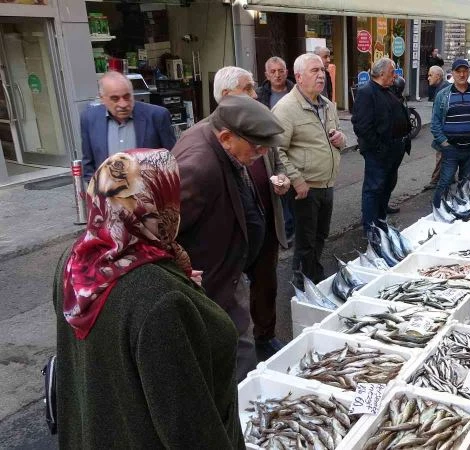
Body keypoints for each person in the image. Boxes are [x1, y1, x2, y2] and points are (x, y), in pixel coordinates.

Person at [54, 149, 244, 449]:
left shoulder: (76, 260)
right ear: (155, 202)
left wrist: (179, 284)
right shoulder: (161, 299)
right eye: (172, 190)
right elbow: (189, 430)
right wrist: (180, 296)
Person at [173, 94, 285, 381]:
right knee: (237, 354)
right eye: (257, 148)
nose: (261, 155)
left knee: (234, 350)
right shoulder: (198, 167)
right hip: (210, 283)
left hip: (227, 271)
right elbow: (163, 231)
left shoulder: (219, 137)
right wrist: (182, 270)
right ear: (225, 137)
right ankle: (236, 416)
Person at [215, 66, 292, 359]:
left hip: (266, 221)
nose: (255, 93)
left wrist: (283, 179)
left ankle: (266, 336)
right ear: (226, 95)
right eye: (247, 89)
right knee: (232, 293)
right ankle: (238, 348)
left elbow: (277, 158)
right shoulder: (215, 133)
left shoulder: (257, 120)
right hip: (235, 230)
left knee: (266, 284)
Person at [272, 53, 345, 286]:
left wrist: (341, 139)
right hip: (306, 187)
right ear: (299, 77)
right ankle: (304, 280)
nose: (321, 75)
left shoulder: (328, 105)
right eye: (315, 70)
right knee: (306, 240)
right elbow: (276, 151)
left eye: (322, 70)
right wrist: (296, 180)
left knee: (321, 234)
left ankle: (311, 272)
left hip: (327, 183)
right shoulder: (285, 108)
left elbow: (338, 137)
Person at [80, 71, 175, 180]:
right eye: (115, 99)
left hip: (148, 193)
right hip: (108, 194)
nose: (123, 104)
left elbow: (172, 159)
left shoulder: (157, 116)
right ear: (102, 99)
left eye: (127, 97)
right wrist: (97, 193)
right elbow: (88, 164)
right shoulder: (89, 118)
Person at [352, 57, 411, 233]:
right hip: (379, 152)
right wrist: (379, 148)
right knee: (374, 188)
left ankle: (380, 221)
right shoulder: (367, 92)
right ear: (382, 72)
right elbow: (362, 126)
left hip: (395, 148)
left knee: (387, 186)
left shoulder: (388, 89)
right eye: (393, 72)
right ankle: (371, 229)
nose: (395, 75)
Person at [430, 59, 470, 207]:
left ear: (469, 72)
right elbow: (434, 123)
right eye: (458, 71)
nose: (462, 74)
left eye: (465, 71)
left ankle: (460, 211)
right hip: (451, 149)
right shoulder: (443, 95)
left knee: (465, 183)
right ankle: (438, 211)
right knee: (445, 182)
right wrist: (444, 143)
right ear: (452, 73)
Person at [257, 56, 296, 247]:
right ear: (266, 74)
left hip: (293, 147)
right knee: (277, 192)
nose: (277, 75)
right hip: (270, 149)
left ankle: (290, 229)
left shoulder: (296, 91)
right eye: (273, 71)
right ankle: (282, 231)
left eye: (281, 70)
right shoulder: (259, 96)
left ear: (287, 72)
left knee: (292, 191)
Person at [424, 65, 449, 191]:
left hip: (444, 130)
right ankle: (450, 176)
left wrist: (439, 131)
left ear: (438, 76)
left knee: (441, 154)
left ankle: (435, 181)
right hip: (444, 129)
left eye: (430, 75)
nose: (428, 78)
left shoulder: (442, 90)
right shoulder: (441, 88)